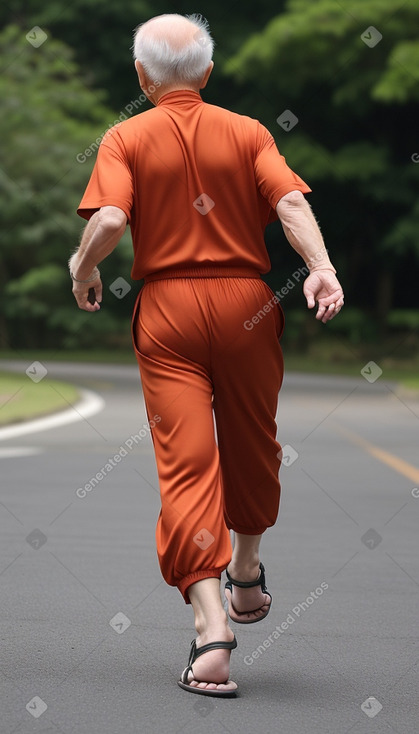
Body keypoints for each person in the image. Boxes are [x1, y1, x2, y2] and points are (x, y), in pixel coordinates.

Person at [69, 13, 344, 697]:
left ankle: (212, 632)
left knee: (185, 463)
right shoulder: (248, 130)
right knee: (254, 441)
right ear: (208, 74)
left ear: (141, 76)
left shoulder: (125, 135)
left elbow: (108, 220)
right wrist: (320, 266)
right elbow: (287, 200)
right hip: (247, 305)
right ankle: (246, 573)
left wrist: (81, 268)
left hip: (167, 310)